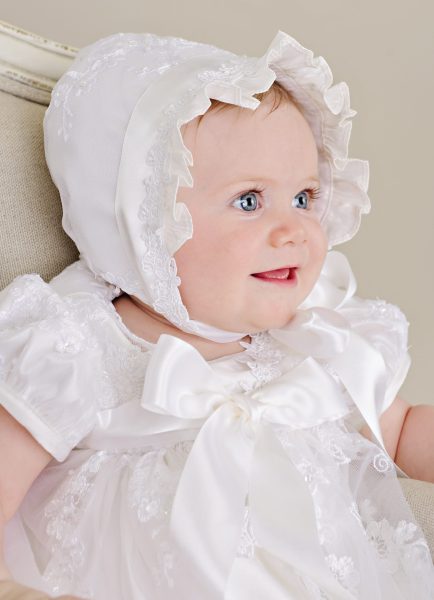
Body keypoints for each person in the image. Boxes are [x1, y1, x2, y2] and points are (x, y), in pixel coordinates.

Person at [0, 29, 433, 600]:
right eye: (249, 201)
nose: (294, 230)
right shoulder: (77, 345)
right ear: (143, 225)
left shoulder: (313, 336)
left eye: (304, 198)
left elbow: (398, 431)